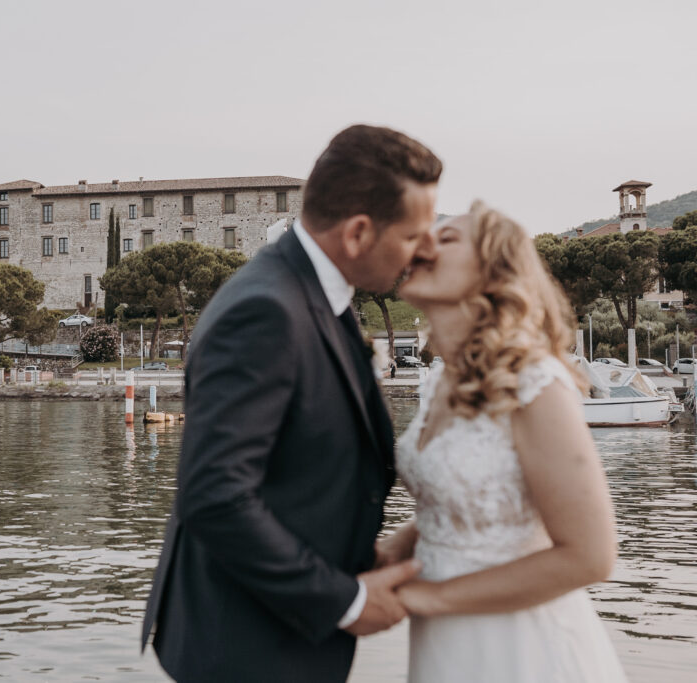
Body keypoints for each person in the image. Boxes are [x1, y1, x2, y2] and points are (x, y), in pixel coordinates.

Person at [140, 124, 442, 682]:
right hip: (248, 650)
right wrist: (344, 600)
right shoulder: (266, 312)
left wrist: (360, 556)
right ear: (356, 233)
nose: (425, 250)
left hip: (276, 633)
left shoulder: (314, 295)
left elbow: (295, 467)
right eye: (413, 235)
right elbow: (216, 498)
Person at [386, 202, 628, 682]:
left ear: (493, 272)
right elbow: (459, 501)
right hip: (444, 641)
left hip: (520, 647)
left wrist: (428, 596)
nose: (422, 243)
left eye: (448, 238)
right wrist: (390, 554)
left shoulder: (534, 381)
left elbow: (591, 555)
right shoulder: (439, 381)